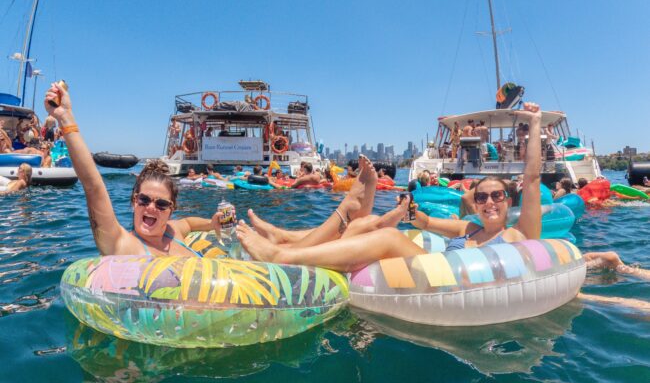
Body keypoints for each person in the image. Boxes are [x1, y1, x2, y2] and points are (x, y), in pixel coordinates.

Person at [235, 103, 544, 273]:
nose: (489, 202)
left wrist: (534, 123)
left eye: (497, 195)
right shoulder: (469, 228)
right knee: (366, 223)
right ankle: (286, 240)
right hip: (437, 265)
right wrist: (408, 211)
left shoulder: (518, 235)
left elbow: (531, 180)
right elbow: (422, 222)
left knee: (387, 236)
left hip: (446, 275)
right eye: (482, 196)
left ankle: (280, 256)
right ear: (474, 202)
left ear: (509, 201)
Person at [44, 82, 231, 257]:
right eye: (144, 199)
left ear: (171, 210)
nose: (151, 207)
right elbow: (93, 186)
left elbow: (188, 223)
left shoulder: (173, 232)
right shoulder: (124, 246)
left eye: (161, 204)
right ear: (134, 202)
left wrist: (210, 224)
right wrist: (65, 117)